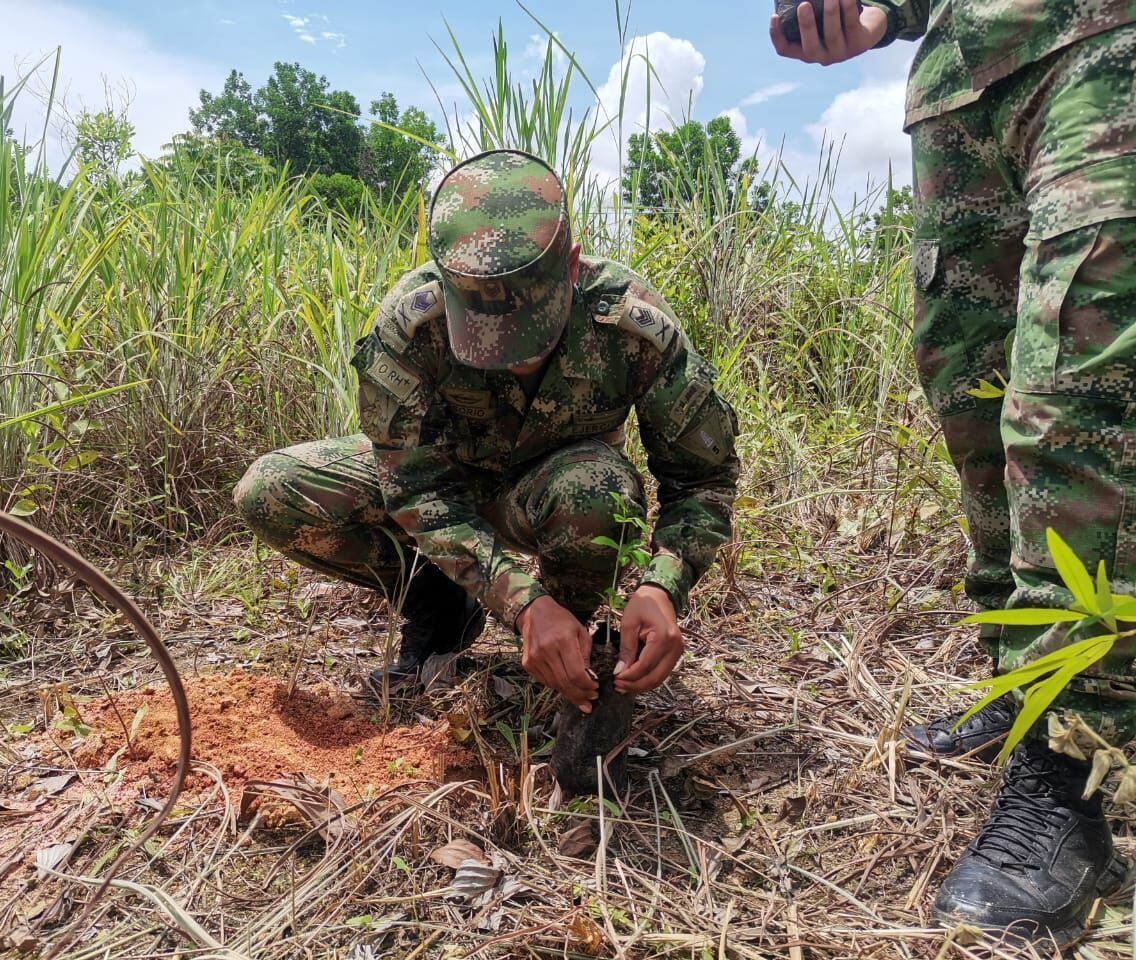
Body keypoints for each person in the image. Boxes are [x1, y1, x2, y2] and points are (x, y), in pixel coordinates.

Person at [772, 0, 1136, 945]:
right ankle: (1020, 681)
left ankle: (1072, 760)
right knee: (972, 393)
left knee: (1075, 393)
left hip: (1097, 47)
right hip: (963, 84)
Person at [235, 149, 739, 716]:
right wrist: (520, 601)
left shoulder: (631, 325)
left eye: (530, 335)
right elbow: (415, 487)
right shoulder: (409, 325)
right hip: (449, 482)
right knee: (272, 488)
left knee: (595, 491)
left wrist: (662, 585)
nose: (506, 359)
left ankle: (569, 637)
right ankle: (443, 608)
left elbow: (703, 478)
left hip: (555, 493)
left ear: (572, 267)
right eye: (482, 336)